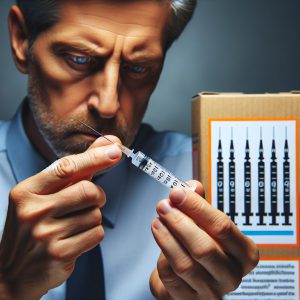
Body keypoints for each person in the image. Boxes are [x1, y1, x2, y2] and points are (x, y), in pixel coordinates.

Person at [0, 0, 259, 299]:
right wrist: (8, 287)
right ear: (21, 39)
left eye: (138, 68)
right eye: (79, 59)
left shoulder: (218, 179)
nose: (109, 105)